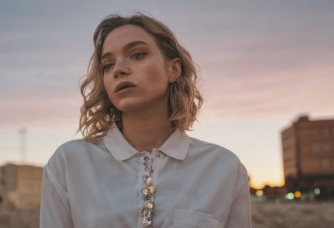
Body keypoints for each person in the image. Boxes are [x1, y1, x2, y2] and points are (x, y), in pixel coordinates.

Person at [40, 13, 251, 228]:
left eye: (138, 54)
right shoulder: (70, 163)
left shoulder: (224, 168)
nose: (118, 69)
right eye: (107, 65)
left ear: (173, 69)